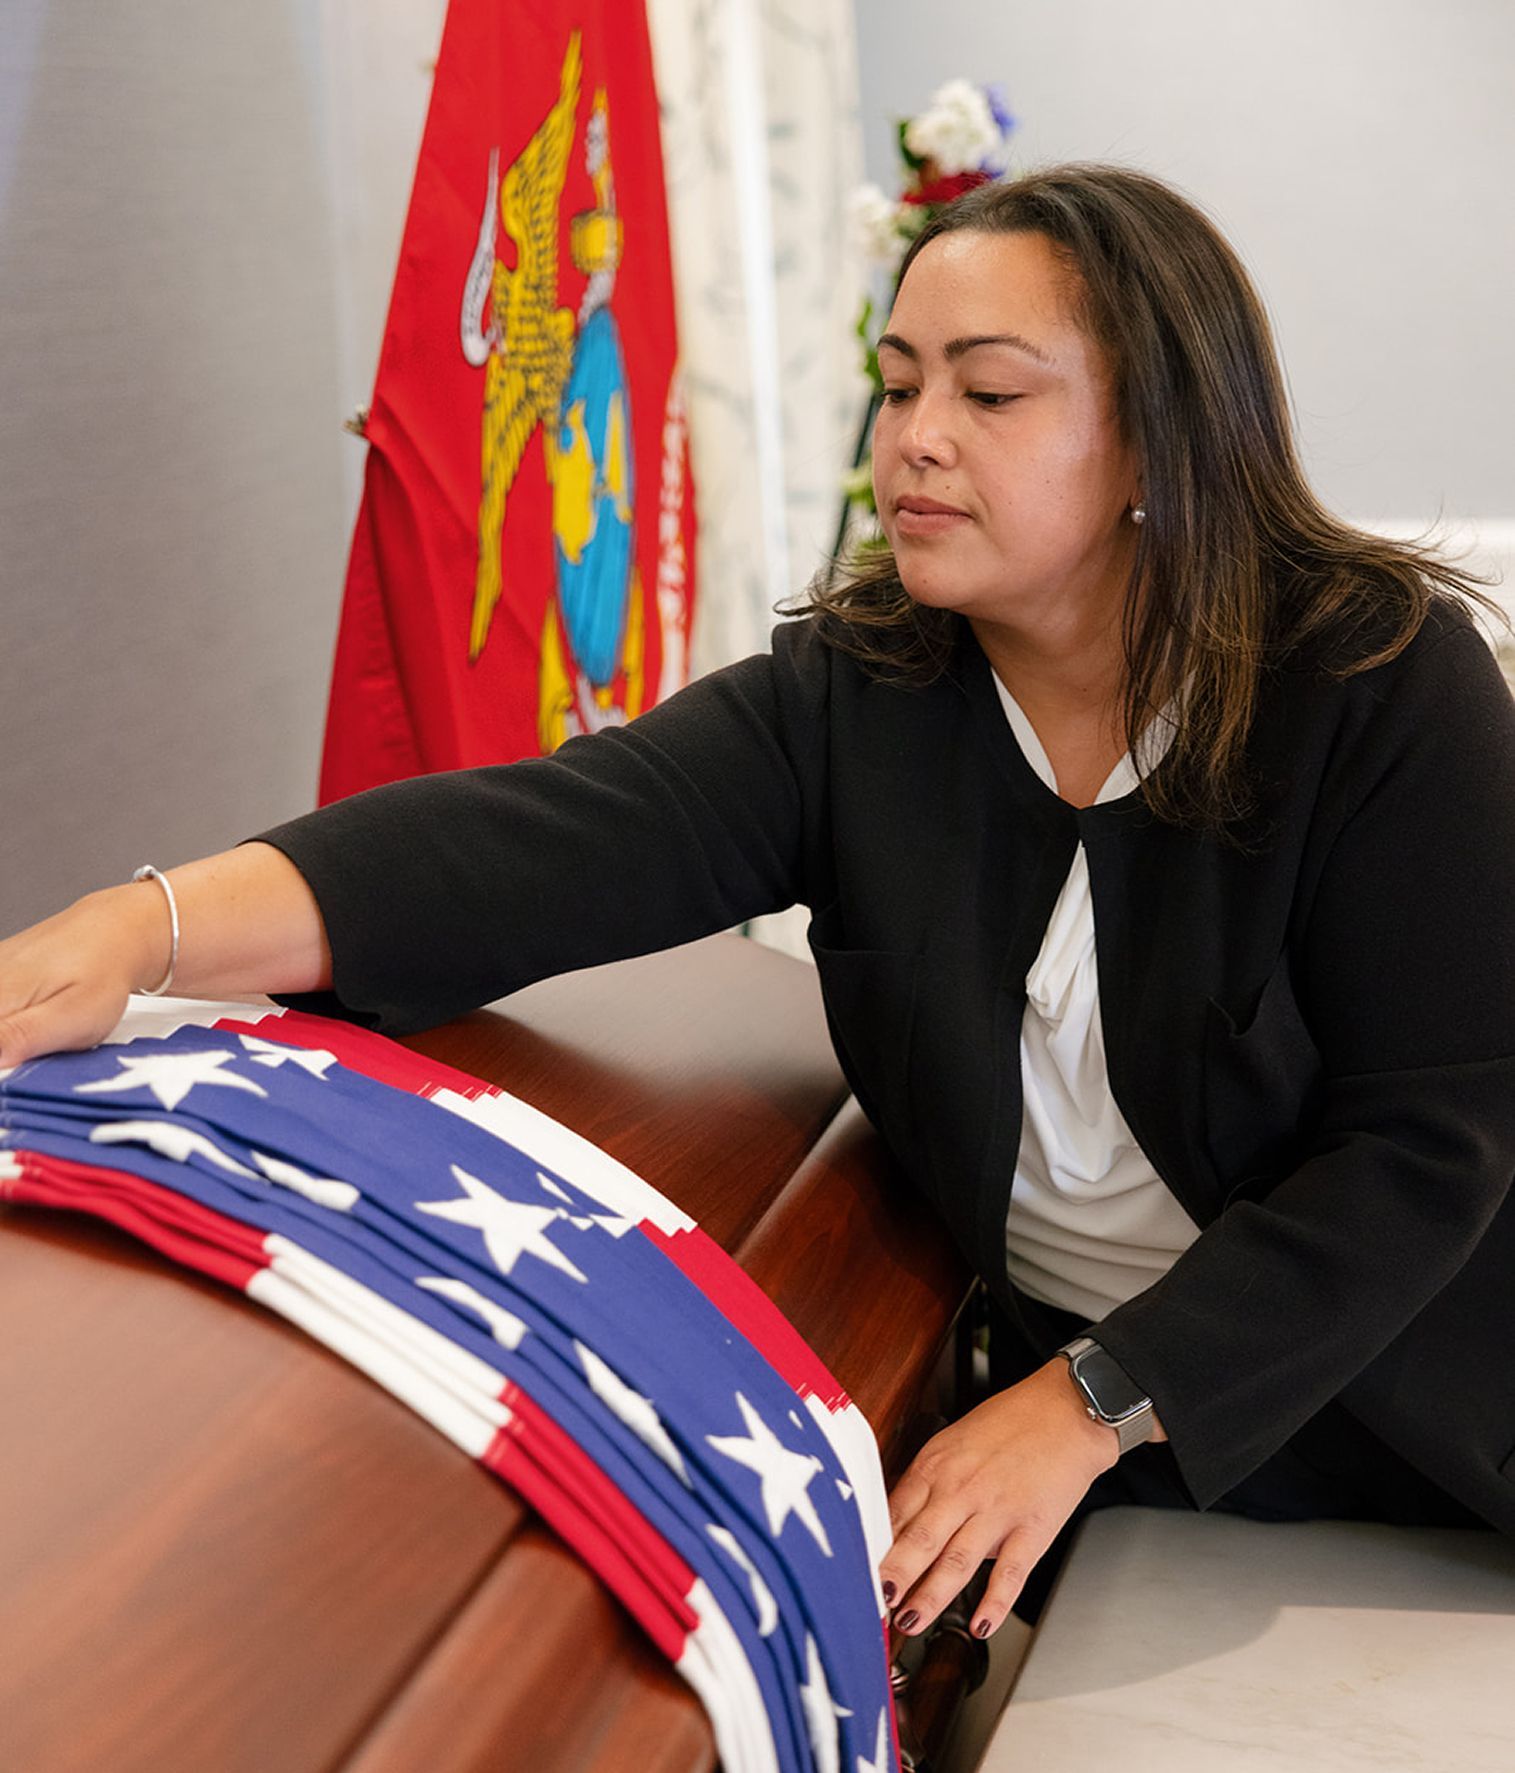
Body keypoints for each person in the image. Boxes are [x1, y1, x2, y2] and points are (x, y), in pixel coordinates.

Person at [4, 164, 1514, 1651]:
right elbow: (531, 845)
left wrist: (1091, 1402)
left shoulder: (1379, 686)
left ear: (1156, 446)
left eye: (988, 396)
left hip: (1421, 1431)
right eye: (898, 381)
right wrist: (138, 929)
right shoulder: (864, 692)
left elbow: (1430, 1145)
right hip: (1100, 1465)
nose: (912, 440)